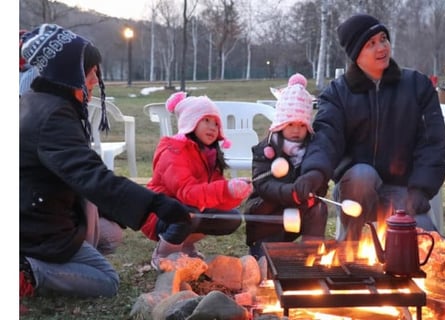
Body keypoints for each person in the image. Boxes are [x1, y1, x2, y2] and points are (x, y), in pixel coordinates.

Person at [19, 24, 192, 298]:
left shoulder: (39, 100)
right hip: (35, 224)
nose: (94, 80)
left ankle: (56, 261)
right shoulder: (52, 115)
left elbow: (76, 174)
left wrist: (120, 208)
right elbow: (90, 176)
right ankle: (28, 270)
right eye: (90, 72)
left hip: (42, 208)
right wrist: (157, 205)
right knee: (107, 281)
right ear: (68, 73)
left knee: (111, 235)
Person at [292, 14, 445, 243]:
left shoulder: (417, 86)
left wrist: (421, 189)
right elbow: (326, 138)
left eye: (383, 39)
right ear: (356, 54)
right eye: (371, 44)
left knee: (428, 249)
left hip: (404, 193)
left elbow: (433, 143)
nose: (381, 48)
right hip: (355, 191)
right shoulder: (337, 93)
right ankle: (349, 250)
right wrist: (314, 172)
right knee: (362, 174)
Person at [140, 92, 253, 270]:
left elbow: (214, 196)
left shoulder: (209, 155)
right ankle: (163, 253)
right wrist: (226, 189)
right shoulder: (173, 151)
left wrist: (235, 192)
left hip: (190, 210)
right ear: (190, 122)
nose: (213, 127)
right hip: (159, 215)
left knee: (231, 218)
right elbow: (187, 193)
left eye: (216, 123)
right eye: (206, 120)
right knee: (188, 213)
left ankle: (184, 245)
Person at [244, 73, 328, 260]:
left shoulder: (311, 150)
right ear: (280, 123)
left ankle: (311, 254)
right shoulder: (266, 149)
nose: (296, 130)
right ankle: (263, 251)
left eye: (302, 125)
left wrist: (313, 187)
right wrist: (291, 192)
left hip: (297, 212)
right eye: (290, 124)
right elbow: (263, 184)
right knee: (270, 260)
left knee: (319, 207)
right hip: (268, 213)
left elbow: (321, 180)